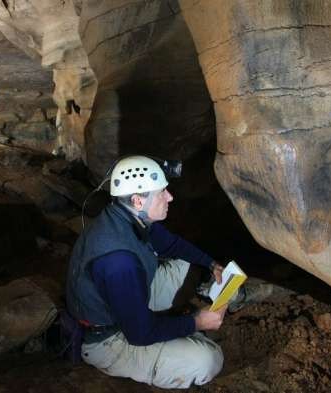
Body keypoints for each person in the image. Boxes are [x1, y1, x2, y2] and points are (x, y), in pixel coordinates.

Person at [66, 155, 266, 389]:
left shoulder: (127, 216)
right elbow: (139, 334)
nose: (170, 197)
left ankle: (187, 318)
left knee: (192, 265)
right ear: (139, 201)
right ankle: (184, 334)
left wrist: (211, 264)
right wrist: (196, 322)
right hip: (109, 338)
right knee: (208, 360)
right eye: (162, 192)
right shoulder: (118, 261)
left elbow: (173, 245)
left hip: (128, 296)